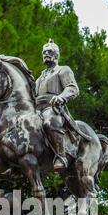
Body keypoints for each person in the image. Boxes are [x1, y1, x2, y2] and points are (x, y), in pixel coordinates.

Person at [35, 39, 79, 170]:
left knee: (49, 122)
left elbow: (72, 88)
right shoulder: (39, 78)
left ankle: (61, 155)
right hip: (37, 109)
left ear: (56, 55)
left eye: (49, 52)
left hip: (53, 108)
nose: (46, 54)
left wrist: (61, 97)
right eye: (44, 52)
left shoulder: (63, 70)